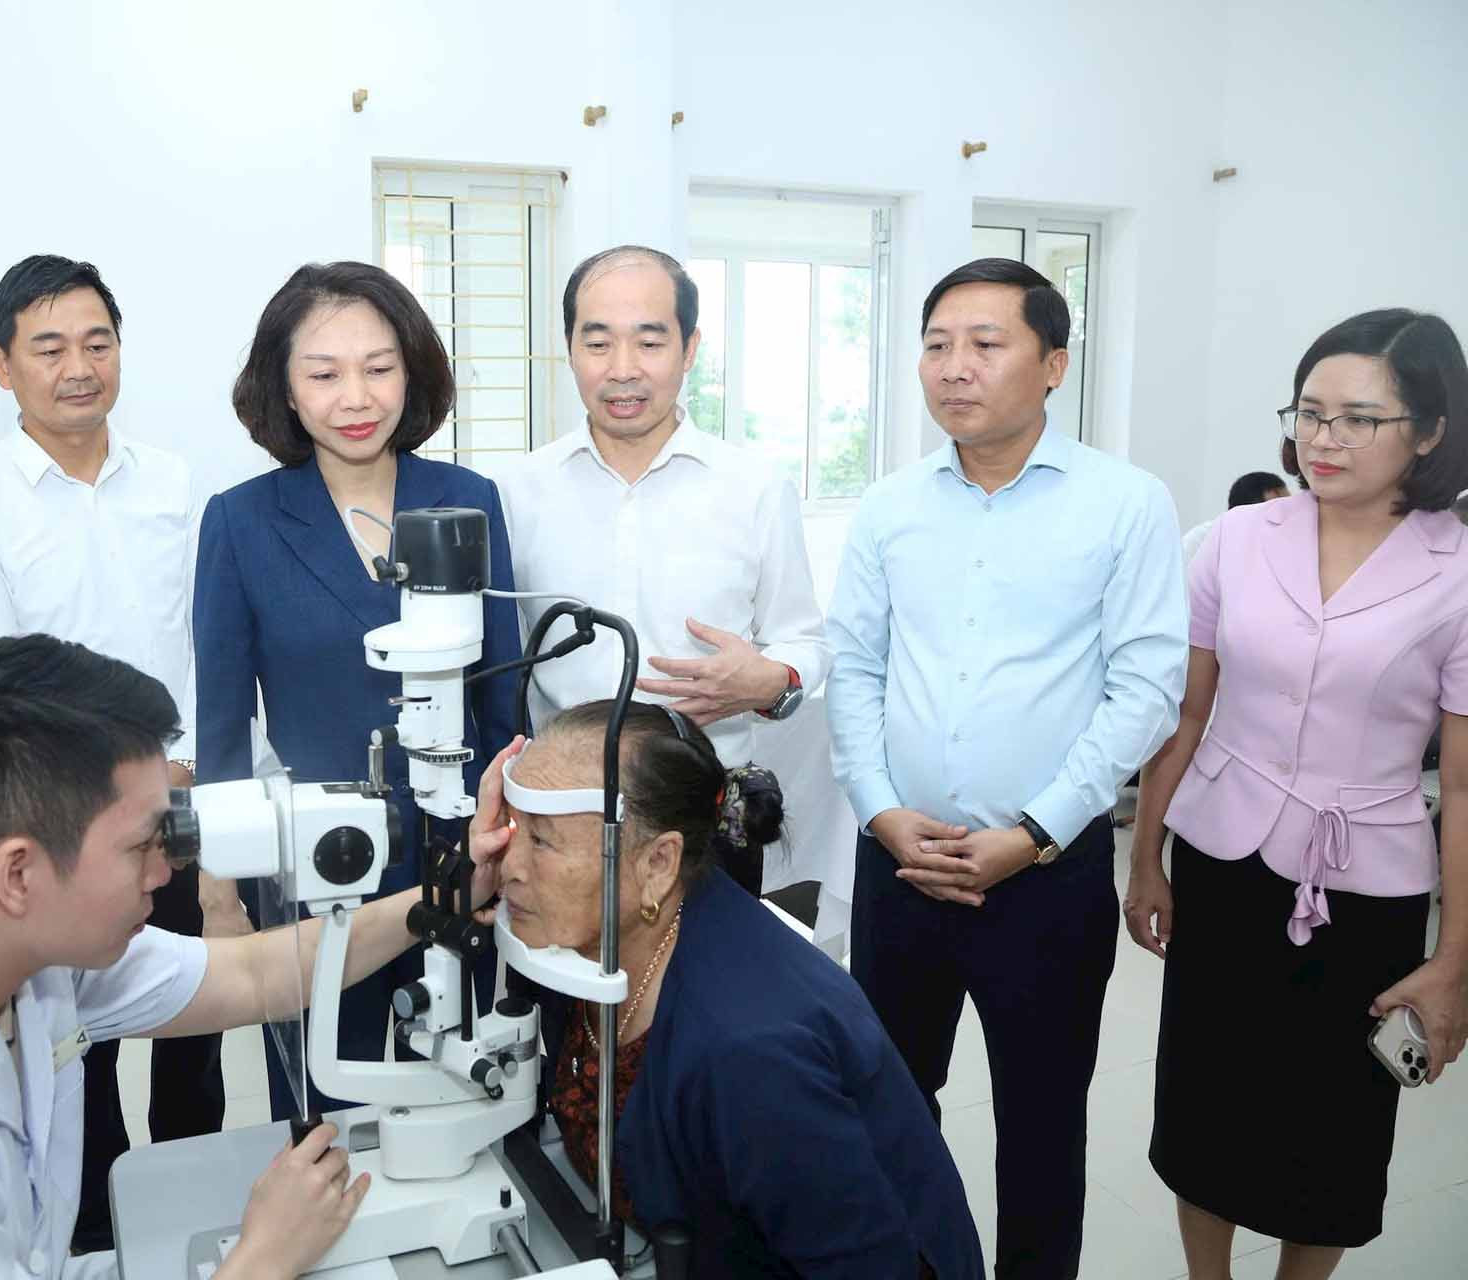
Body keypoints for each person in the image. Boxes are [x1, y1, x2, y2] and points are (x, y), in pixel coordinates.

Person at [0, 633, 495, 1279]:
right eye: (144, 844)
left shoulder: (6, 945)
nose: (169, 867)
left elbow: (253, 975)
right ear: (19, 871)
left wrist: (447, 897)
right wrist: (262, 1259)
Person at [825, 257, 1187, 1278]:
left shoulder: (1124, 502)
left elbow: (1147, 688)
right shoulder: (891, 506)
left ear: (1053, 362)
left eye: (986, 343)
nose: (953, 367)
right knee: (890, 1107)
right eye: (937, 344)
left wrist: (1032, 834)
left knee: (1039, 1121)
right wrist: (882, 810)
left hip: (1044, 873)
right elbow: (852, 664)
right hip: (901, 861)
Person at [1125, 308, 1468, 1280]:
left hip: (1370, 885)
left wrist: (1456, 959)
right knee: (1205, 1096)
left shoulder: (1460, 570)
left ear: (1433, 430)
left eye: (1359, 417)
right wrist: (1146, 856)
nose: (1324, 437)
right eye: (1310, 412)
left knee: (1336, 1124)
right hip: (1222, 860)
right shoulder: (1236, 538)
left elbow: (1466, 781)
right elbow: (1184, 718)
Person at [0, 254, 236, 1252]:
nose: (78, 366)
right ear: (1, 364)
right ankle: (97, 1245)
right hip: (56, 822)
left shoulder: (179, 485)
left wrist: (177, 772)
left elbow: (206, 638)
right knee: (75, 1051)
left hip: (180, 802)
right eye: (48, 346)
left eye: (97, 342)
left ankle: (203, 1225)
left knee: (195, 1020)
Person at [472, 701, 983, 1278]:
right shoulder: (598, 941)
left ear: (658, 864)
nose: (507, 865)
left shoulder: (749, 1052)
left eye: (541, 841)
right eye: (512, 827)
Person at [194, 260, 521, 1117]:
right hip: (320, 866)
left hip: (464, 857)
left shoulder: (468, 499)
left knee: (463, 1086)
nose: (355, 396)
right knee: (321, 1107)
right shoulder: (242, 521)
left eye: (378, 367)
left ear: (411, 371)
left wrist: (515, 847)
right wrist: (217, 889)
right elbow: (222, 722)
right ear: (285, 390)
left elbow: (504, 700)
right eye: (324, 373)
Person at [496, 244, 827, 769]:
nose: (623, 369)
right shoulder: (514, 490)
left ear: (690, 348)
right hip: (558, 801)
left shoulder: (755, 487)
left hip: (706, 802)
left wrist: (771, 680)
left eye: (650, 342)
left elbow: (802, 639)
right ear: (569, 348)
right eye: (599, 343)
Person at [1180, 467, 1290, 563]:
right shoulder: (1200, 542)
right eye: (1279, 512)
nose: (1287, 519)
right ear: (1244, 516)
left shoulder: (1284, 547)